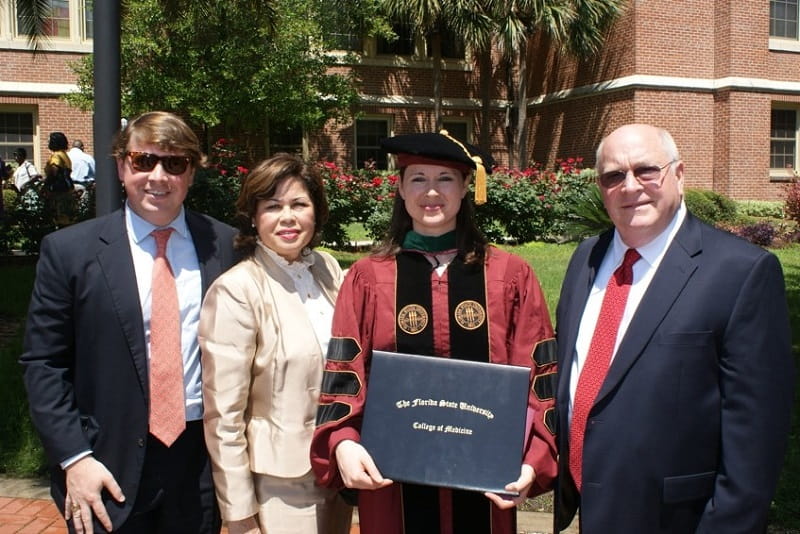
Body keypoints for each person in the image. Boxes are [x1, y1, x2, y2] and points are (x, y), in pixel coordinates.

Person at [311, 131, 558, 534]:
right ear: (402, 190)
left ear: (465, 189)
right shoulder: (368, 278)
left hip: (487, 480)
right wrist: (344, 441)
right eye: (418, 178)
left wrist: (532, 460)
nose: (431, 192)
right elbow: (345, 375)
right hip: (393, 482)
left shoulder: (509, 276)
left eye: (445, 178)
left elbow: (538, 376)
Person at [553, 124, 795, 533]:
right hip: (590, 509)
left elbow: (755, 442)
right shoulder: (585, 259)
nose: (630, 187)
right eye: (614, 176)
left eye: (647, 170)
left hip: (678, 520)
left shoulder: (741, 272)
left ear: (679, 175)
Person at [20, 111, 240, 534]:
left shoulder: (226, 247)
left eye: (175, 164)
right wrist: (74, 458)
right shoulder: (70, 253)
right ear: (122, 167)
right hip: (105, 460)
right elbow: (43, 364)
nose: (159, 176)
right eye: (144, 161)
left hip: (198, 464)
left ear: (191, 173)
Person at [198, 154, 352, 534]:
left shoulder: (328, 269)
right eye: (273, 206)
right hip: (281, 481)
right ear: (254, 216)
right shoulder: (237, 290)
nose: (288, 217)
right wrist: (238, 513)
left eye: (299, 204)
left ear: (316, 213)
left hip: (338, 467)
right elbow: (223, 414)